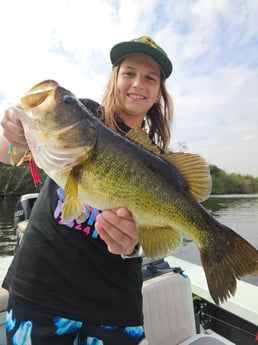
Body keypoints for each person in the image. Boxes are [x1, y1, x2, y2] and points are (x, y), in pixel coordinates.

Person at [0, 35, 173, 345]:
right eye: (129, 72)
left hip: (114, 305)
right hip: (40, 290)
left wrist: (134, 245)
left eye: (150, 77)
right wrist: (14, 133)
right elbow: (10, 154)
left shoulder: (160, 164)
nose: (138, 83)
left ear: (159, 92)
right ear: (114, 79)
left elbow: (159, 234)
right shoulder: (84, 117)